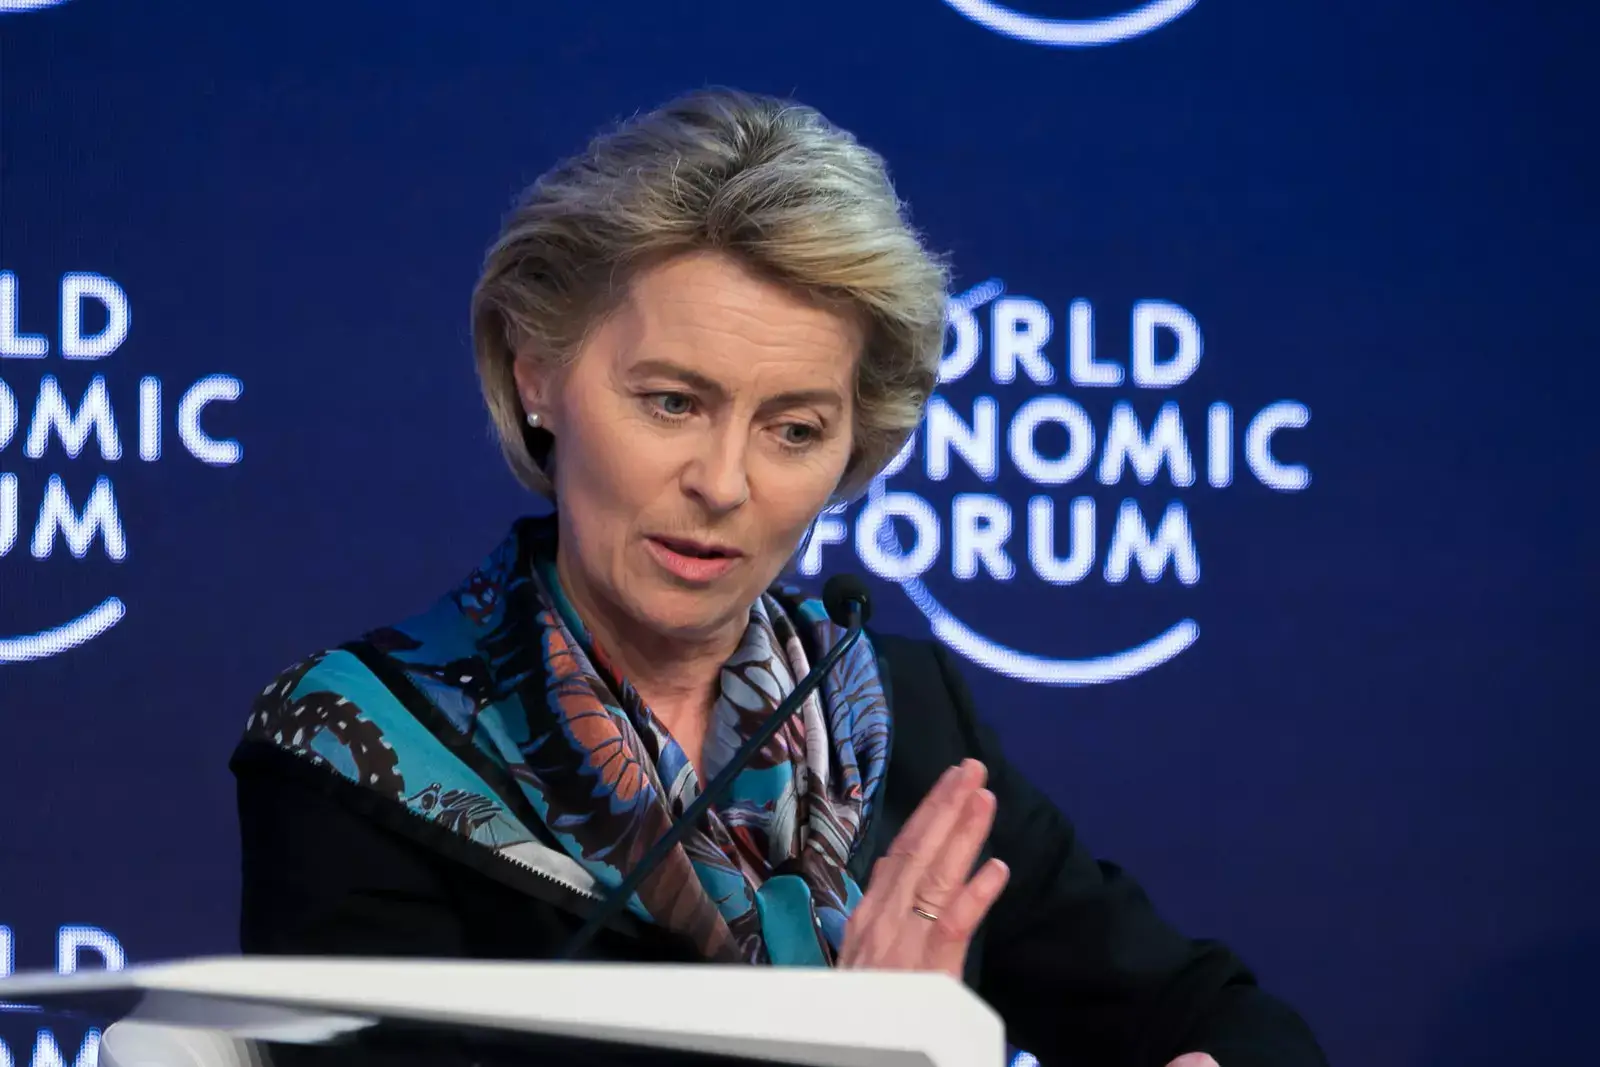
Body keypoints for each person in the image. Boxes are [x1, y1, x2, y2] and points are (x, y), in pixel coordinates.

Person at [232, 87, 1327, 1067]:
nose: (724, 482)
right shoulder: (361, 746)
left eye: (793, 429)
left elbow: (1222, 1017)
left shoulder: (890, 715)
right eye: (672, 402)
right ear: (537, 376)